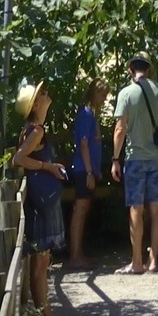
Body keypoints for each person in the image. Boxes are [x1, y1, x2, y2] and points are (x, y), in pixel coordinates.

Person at [13, 84, 72, 316]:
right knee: (40, 265)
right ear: (35, 105)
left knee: (42, 263)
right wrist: (47, 167)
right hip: (41, 206)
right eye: (42, 95)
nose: (47, 95)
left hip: (40, 202)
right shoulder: (36, 131)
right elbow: (19, 159)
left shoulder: (34, 131)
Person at [110, 53, 158, 274]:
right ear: (149, 69)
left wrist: (115, 159)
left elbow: (120, 129)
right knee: (156, 208)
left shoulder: (126, 93)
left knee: (136, 208)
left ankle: (136, 262)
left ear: (130, 70)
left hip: (135, 158)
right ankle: (154, 260)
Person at [65, 80, 107, 269]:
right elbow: (83, 144)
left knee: (83, 210)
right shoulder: (85, 115)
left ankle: (79, 253)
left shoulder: (93, 115)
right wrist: (89, 171)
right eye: (102, 94)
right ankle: (75, 256)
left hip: (89, 170)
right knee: (80, 210)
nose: (104, 98)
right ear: (94, 93)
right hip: (83, 170)